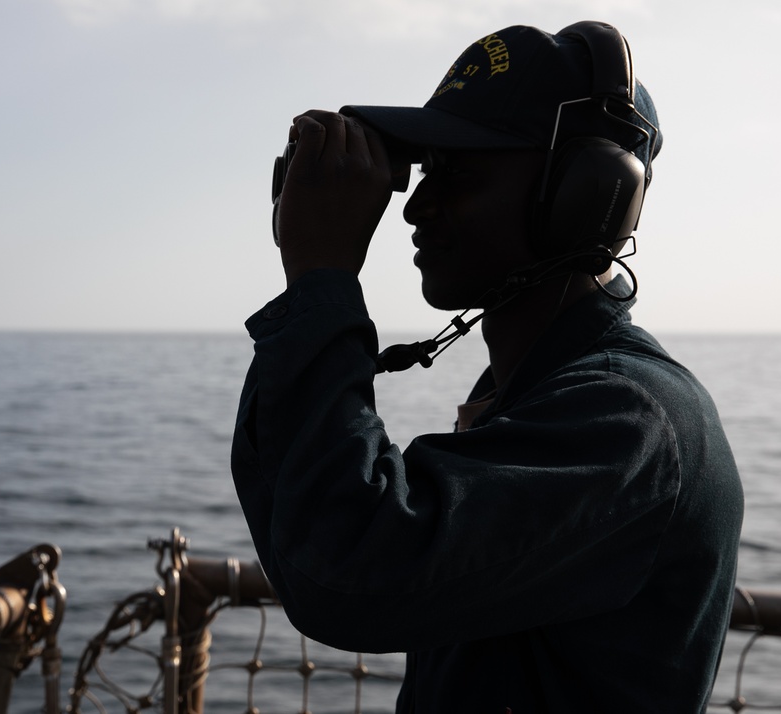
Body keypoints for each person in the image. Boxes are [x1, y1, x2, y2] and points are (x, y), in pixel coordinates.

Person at [231, 21, 744, 713]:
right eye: (425, 170)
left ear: (583, 198)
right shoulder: (529, 394)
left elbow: (347, 568)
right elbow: (310, 552)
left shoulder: (627, 420)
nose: (414, 206)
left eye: (459, 172)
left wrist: (321, 281)